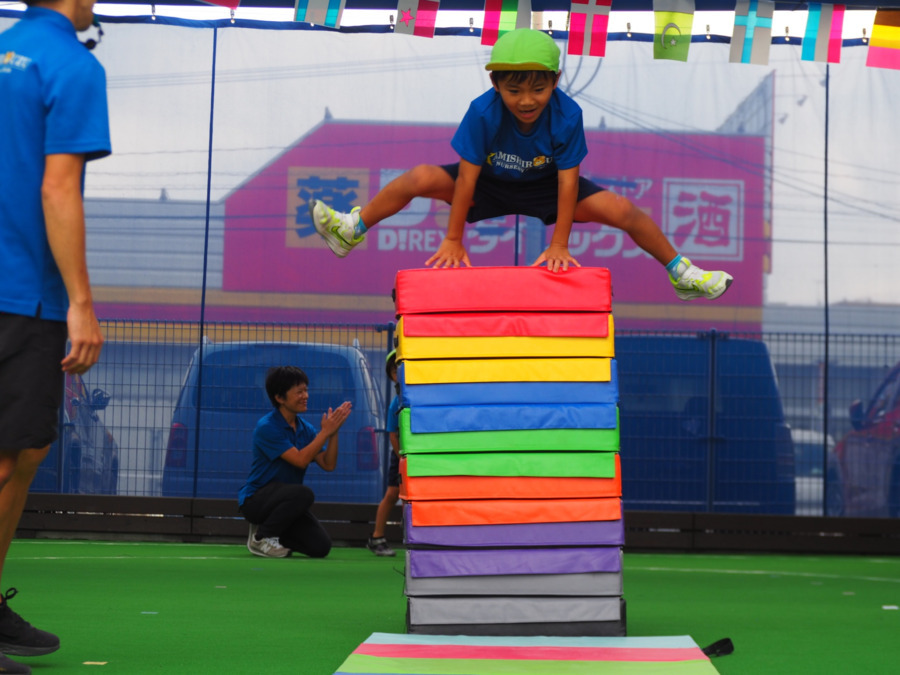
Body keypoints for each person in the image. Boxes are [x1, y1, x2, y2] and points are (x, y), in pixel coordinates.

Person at [309, 28, 732, 300]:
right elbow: (466, 178)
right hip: (486, 183)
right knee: (419, 177)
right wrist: (454, 238)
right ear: (495, 84)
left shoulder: (567, 115)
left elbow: (568, 183)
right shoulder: (483, 112)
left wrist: (560, 243)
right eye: (514, 90)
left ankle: (681, 272)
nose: (527, 101)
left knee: (623, 210)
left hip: (546, 186)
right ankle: (351, 229)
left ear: (556, 81)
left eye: (538, 89)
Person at [0, 0, 109, 671]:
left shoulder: (7, 49)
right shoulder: (70, 63)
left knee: (28, 450)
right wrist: (81, 303)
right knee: (6, 459)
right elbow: (58, 189)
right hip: (20, 291)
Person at [238, 366, 352, 559]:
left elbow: (328, 464)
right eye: (299, 392)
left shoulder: (305, 429)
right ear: (279, 398)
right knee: (304, 494)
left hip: (287, 502)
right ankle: (261, 537)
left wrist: (333, 433)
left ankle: (273, 534)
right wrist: (324, 432)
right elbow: (300, 460)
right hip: (256, 501)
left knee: (321, 547)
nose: (305, 396)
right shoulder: (267, 427)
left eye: (306, 390)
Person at [367, 350, 402, 557]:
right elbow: (393, 435)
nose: (398, 374)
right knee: (392, 494)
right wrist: (401, 457)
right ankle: (377, 536)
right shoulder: (396, 403)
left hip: (418, 455)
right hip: (402, 456)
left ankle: (416, 536)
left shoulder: (420, 399)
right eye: (394, 371)